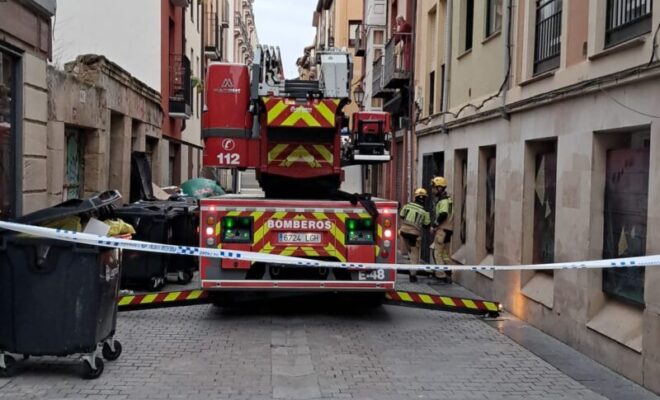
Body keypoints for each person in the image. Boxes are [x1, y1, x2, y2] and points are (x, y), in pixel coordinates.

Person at [399, 188, 431, 282]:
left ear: (415, 197)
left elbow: (401, 215)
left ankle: (411, 266)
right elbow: (427, 225)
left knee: (410, 251)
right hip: (414, 235)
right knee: (414, 254)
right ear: (424, 199)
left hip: (404, 232)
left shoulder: (407, 206)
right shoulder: (424, 211)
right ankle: (413, 275)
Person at [430, 176, 454, 283]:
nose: (433, 190)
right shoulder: (448, 199)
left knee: (437, 253)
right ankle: (448, 274)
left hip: (442, 230)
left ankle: (440, 276)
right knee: (445, 254)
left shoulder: (443, 201)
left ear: (440, 188)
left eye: (434, 187)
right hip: (448, 230)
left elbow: (443, 214)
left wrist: (434, 225)